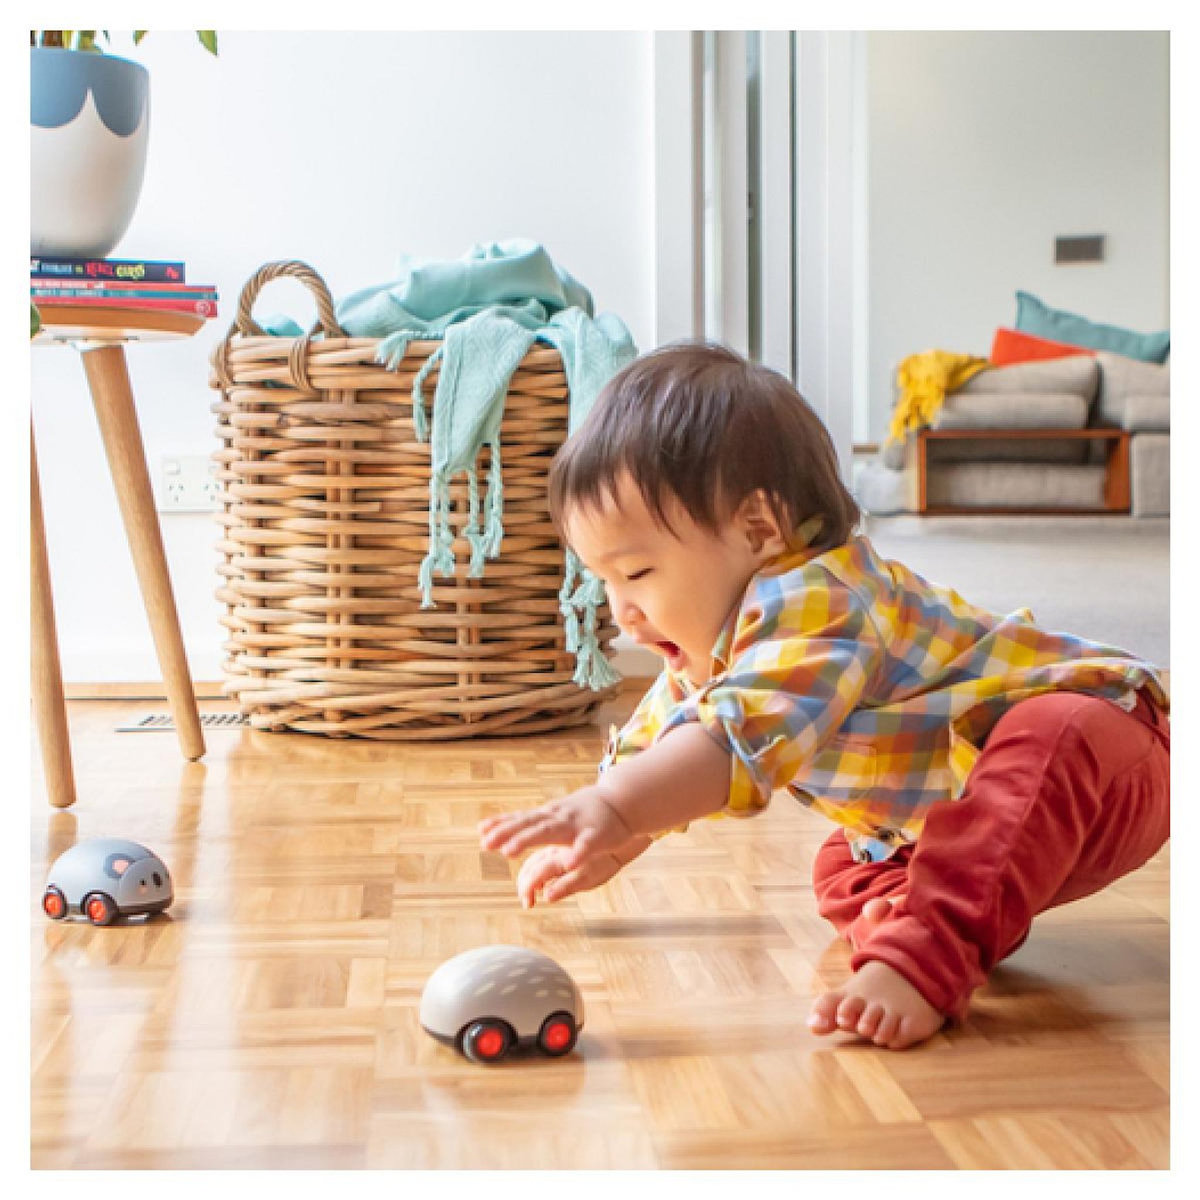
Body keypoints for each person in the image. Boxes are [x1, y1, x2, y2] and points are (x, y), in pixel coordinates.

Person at [477, 341, 1170, 1050]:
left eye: (637, 573)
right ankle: (926, 915)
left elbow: (729, 743)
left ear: (758, 529)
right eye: (603, 582)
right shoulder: (712, 657)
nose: (621, 612)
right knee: (843, 866)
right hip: (976, 818)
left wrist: (614, 808)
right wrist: (617, 837)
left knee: (1051, 733)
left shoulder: (822, 600)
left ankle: (927, 956)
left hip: (1111, 751)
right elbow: (666, 745)